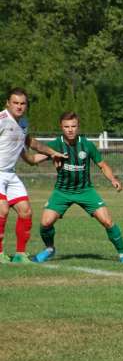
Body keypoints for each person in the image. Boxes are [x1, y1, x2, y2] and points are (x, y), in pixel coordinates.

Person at [31, 112, 123, 264]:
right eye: (66, 126)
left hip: (85, 191)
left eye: (73, 126)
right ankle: (49, 249)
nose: (70, 129)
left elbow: (102, 165)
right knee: (45, 223)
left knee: (107, 221)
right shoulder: (55, 144)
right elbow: (36, 158)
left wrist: (113, 179)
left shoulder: (87, 144)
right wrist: (23, 154)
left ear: (78, 127)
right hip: (62, 191)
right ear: (61, 127)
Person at [0, 88, 66, 263]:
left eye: (23, 103)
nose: (19, 106)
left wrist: (52, 152)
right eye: (15, 103)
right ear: (8, 103)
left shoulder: (23, 123)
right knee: (3, 209)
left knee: (26, 211)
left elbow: (32, 144)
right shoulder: (2, 120)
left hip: (10, 174)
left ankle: (20, 255)